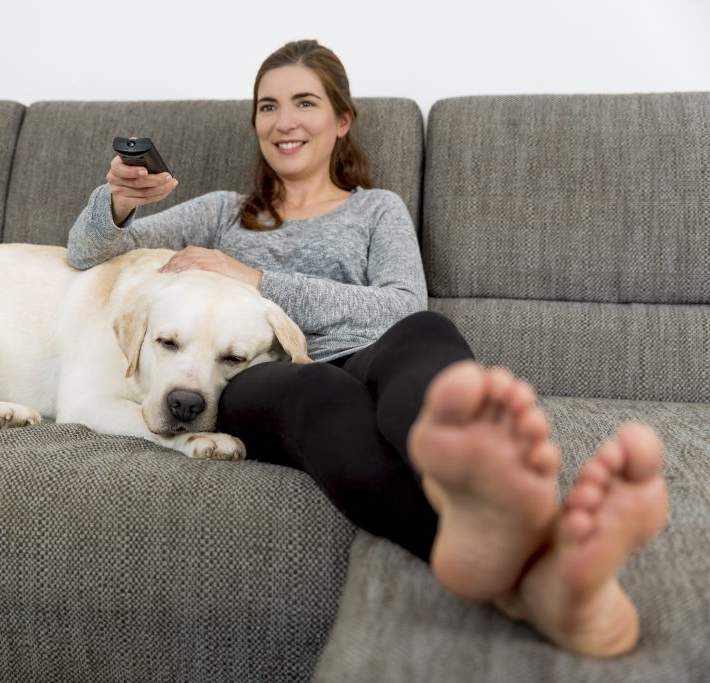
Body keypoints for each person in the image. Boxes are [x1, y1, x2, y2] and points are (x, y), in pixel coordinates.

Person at [66, 39, 669, 658]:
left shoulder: (378, 210)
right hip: (271, 374)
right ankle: (534, 570)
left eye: (305, 102)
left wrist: (259, 280)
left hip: (377, 355)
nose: (285, 121)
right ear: (255, 123)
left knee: (428, 333)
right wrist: (117, 203)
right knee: (320, 388)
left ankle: (485, 496)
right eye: (268, 106)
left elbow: (403, 303)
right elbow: (86, 255)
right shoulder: (224, 214)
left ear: (341, 120)